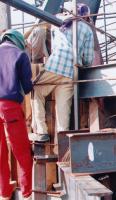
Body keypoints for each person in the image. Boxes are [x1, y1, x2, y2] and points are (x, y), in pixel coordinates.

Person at [29, 3, 94, 142]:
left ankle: (42, 132)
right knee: (63, 115)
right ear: (86, 17)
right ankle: (62, 147)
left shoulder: (58, 22)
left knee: (35, 90)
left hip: (55, 66)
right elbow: (88, 60)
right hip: (71, 72)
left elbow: (45, 36)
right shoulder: (88, 30)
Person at [0, 29, 33, 200]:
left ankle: (4, 191)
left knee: (0, 150)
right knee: (21, 149)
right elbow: (27, 87)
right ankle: (27, 191)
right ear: (18, 41)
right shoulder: (20, 55)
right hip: (10, 107)